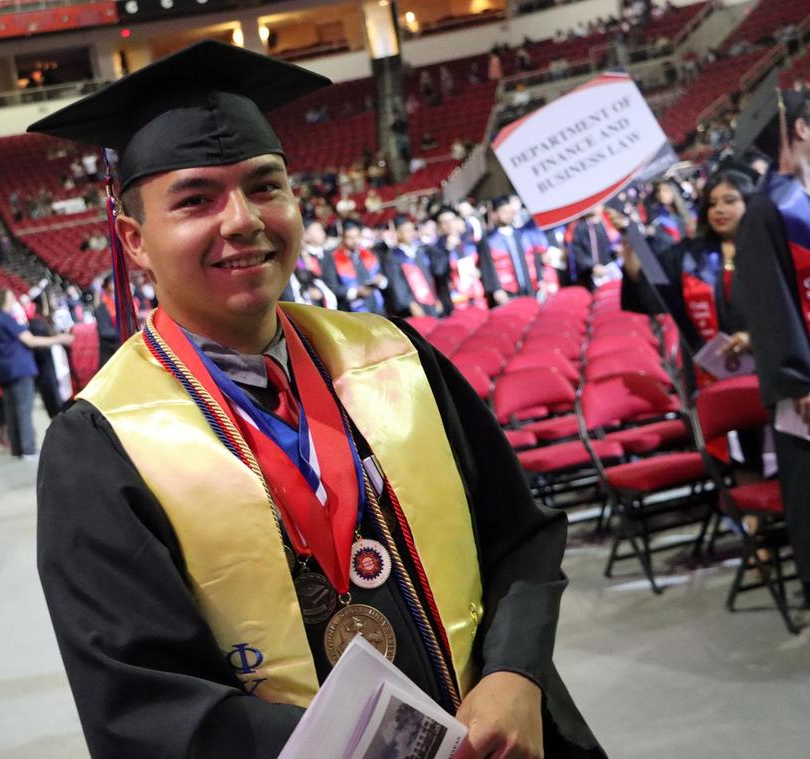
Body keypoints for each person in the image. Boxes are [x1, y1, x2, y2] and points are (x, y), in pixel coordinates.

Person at [30, 41, 602, 759]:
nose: (242, 219)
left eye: (265, 186)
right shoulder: (102, 444)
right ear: (134, 240)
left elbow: (522, 536)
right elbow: (143, 709)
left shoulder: (394, 356)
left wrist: (518, 671)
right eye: (197, 199)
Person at [733, 89, 810, 604]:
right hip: (804, 385)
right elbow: (769, 303)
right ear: (800, 127)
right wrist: (798, 379)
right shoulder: (768, 209)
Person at [622, 168, 755, 391]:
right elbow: (656, 289)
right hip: (713, 367)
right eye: (712, 204)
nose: (719, 210)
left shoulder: (771, 248)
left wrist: (753, 337)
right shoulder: (691, 256)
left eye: (729, 201)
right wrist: (633, 240)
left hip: (768, 361)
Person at [0, 289, 71, 459]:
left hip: (3, 370)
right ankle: (28, 448)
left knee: (11, 410)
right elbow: (29, 340)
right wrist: (59, 339)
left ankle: (17, 448)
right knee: (24, 409)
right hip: (19, 368)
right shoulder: (8, 320)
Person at [479, 196, 544, 305]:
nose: (508, 215)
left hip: (530, 286)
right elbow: (487, 267)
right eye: (504, 211)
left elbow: (534, 257)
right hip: (507, 291)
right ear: (494, 214)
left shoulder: (522, 234)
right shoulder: (489, 240)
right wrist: (496, 289)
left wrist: (540, 279)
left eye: (510, 211)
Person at [321, 221, 387, 313]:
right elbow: (332, 287)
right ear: (342, 238)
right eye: (350, 237)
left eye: (357, 236)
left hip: (377, 306)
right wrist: (356, 292)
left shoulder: (369, 253)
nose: (355, 241)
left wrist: (381, 280)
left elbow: (380, 274)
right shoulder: (331, 258)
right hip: (351, 310)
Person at [383, 215, 439, 317]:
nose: (411, 233)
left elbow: (428, 277)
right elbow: (397, 284)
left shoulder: (419, 251)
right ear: (398, 234)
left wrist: (436, 297)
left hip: (429, 300)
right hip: (412, 306)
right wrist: (411, 304)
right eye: (406, 230)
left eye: (412, 230)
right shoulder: (393, 257)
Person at [567, 205, 617, 290]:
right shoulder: (581, 227)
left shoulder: (603, 223)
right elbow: (577, 251)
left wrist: (615, 253)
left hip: (608, 269)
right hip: (593, 274)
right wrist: (592, 266)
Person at [93, 275, 121, 367]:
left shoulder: (120, 302)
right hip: (110, 353)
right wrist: (125, 332)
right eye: (113, 282)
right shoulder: (102, 307)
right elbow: (104, 331)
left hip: (121, 349)